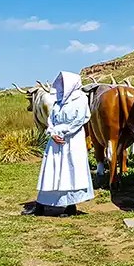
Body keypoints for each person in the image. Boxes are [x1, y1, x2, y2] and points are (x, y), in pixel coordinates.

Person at [22, 71, 94, 216]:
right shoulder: (59, 99)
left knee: (70, 170)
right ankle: (41, 204)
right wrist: (52, 132)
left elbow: (80, 119)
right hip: (56, 139)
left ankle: (70, 205)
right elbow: (51, 119)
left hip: (71, 139)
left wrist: (62, 132)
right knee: (51, 170)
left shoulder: (80, 99)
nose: (62, 86)